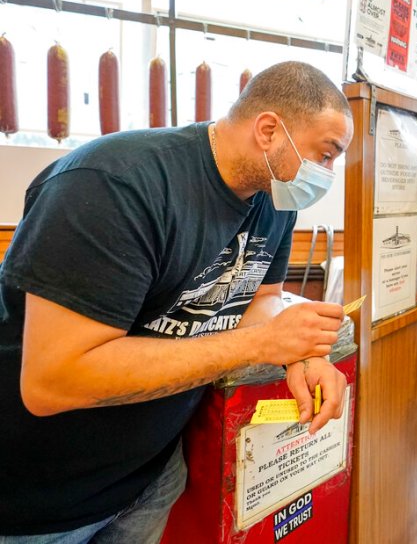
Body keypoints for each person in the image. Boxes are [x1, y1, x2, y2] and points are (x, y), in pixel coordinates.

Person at [0, 61, 352, 542]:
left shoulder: (274, 200)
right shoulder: (114, 185)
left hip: (152, 474)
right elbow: (53, 380)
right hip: (44, 494)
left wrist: (301, 352)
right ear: (269, 130)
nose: (326, 175)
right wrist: (261, 345)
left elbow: (261, 298)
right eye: (325, 155)